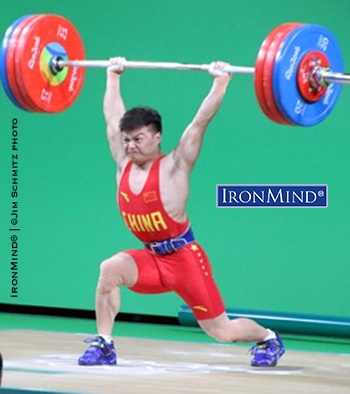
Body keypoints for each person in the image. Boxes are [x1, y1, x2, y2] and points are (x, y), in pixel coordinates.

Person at [78, 58, 285, 367]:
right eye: (127, 140)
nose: (130, 146)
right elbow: (111, 118)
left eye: (138, 139)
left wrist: (221, 82)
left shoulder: (174, 166)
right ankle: (105, 345)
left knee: (221, 330)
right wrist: (112, 76)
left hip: (185, 259)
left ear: (157, 136)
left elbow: (199, 122)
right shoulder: (123, 164)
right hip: (151, 259)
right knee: (109, 269)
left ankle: (268, 338)